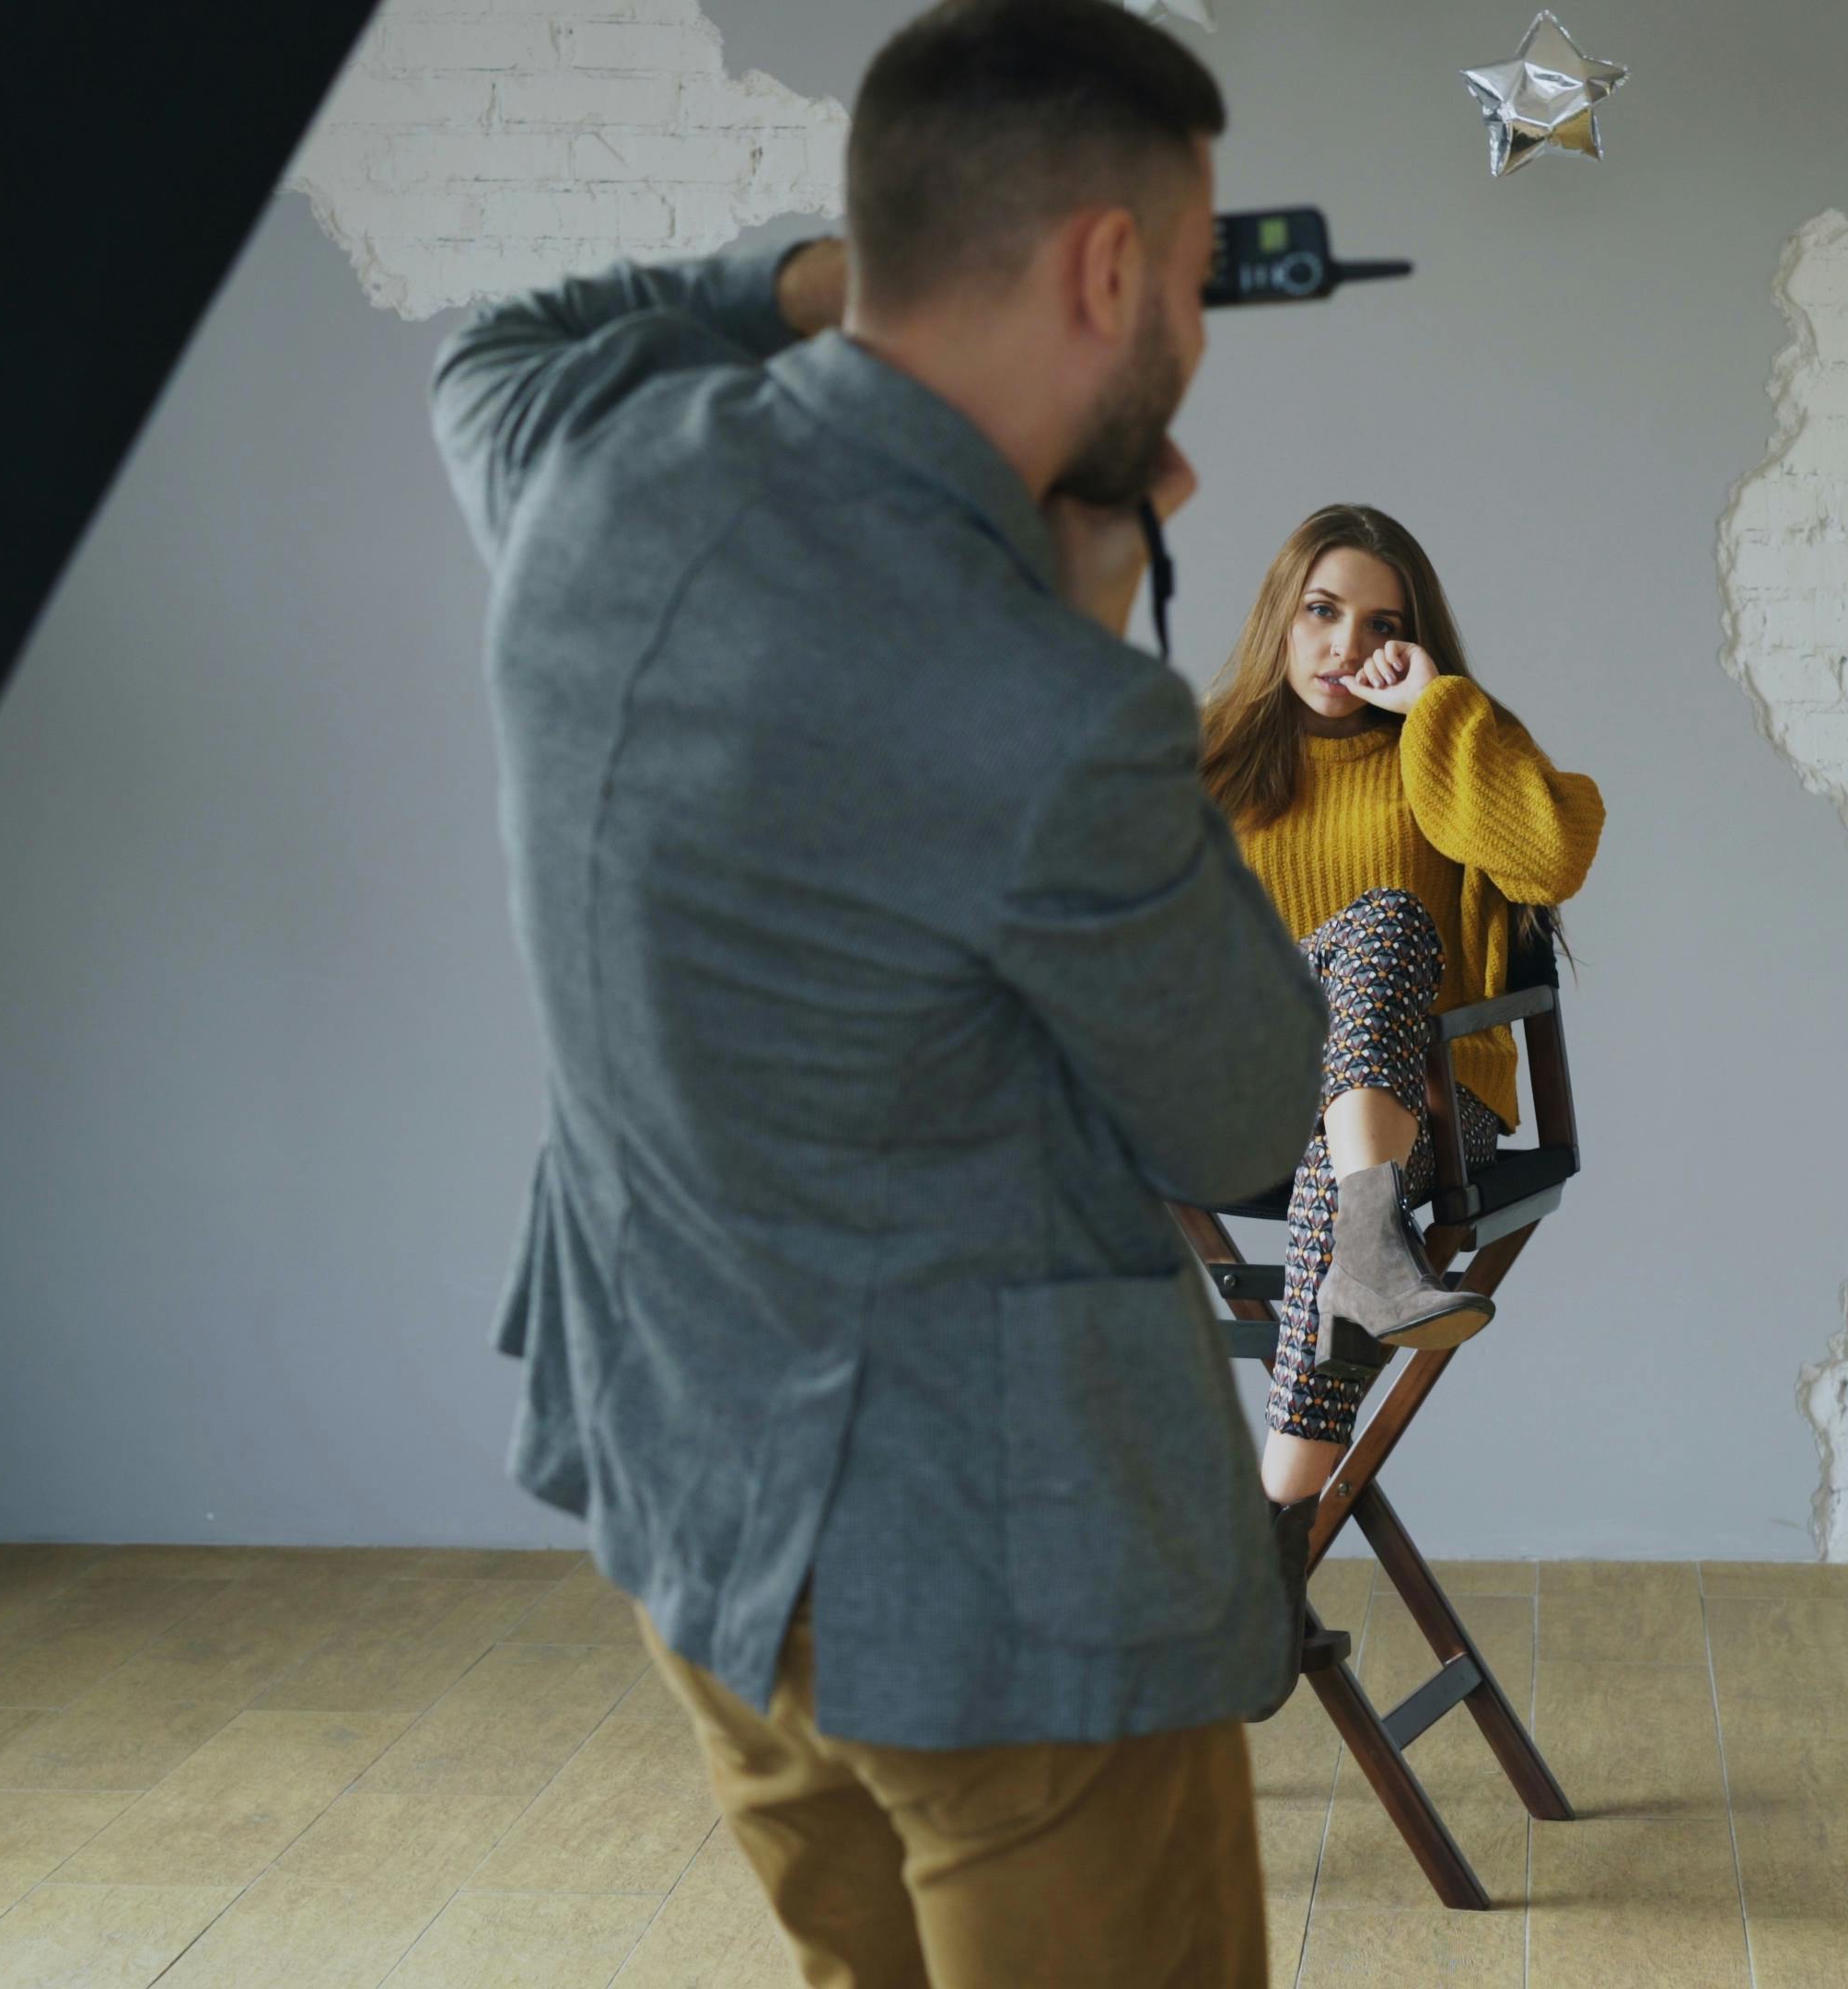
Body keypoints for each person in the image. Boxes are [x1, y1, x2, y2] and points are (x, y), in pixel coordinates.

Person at [427, 4, 1320, 1983]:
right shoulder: (1041, 711)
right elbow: (1256, 1114)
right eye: (1185, 278)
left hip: (698, 1501)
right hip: (993, 1588)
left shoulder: (580, 472)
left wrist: (839, 281)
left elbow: (490, 348)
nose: (1190, 323)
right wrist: (1091, 652)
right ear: (1106, 269)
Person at [1198, 506, 1606, 1508]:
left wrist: (1439, 707)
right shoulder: (1203, 769)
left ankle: (1271, 1538)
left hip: (1426, 1107)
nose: (1347, 646)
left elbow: (1552, 856)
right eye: (1323, 611)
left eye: (1383, 625)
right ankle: (1370, 1253)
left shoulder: (1445, 748)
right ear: (1280, 621)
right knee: (1373, 934)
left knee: (1345, 1183)